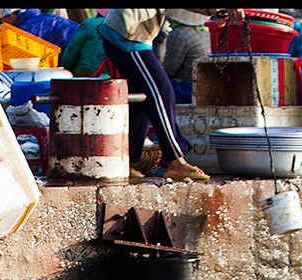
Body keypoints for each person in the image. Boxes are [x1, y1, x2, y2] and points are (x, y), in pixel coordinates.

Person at [99, 9, 243, 181]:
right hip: (126, 35)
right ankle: (174, 159)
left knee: (144, 99)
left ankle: (129, 159)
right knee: (161, 93)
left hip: (132, 33)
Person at [162, 9, 214, 102]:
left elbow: (170, 70)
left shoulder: (179, 33)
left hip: (188, 88)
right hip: (205, 84)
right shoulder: (206, 31)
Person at [60, 10, 112, 75]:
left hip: (87, 74)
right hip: (117, 78)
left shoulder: (91, 23)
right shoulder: (125, 27)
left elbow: (69, 58)